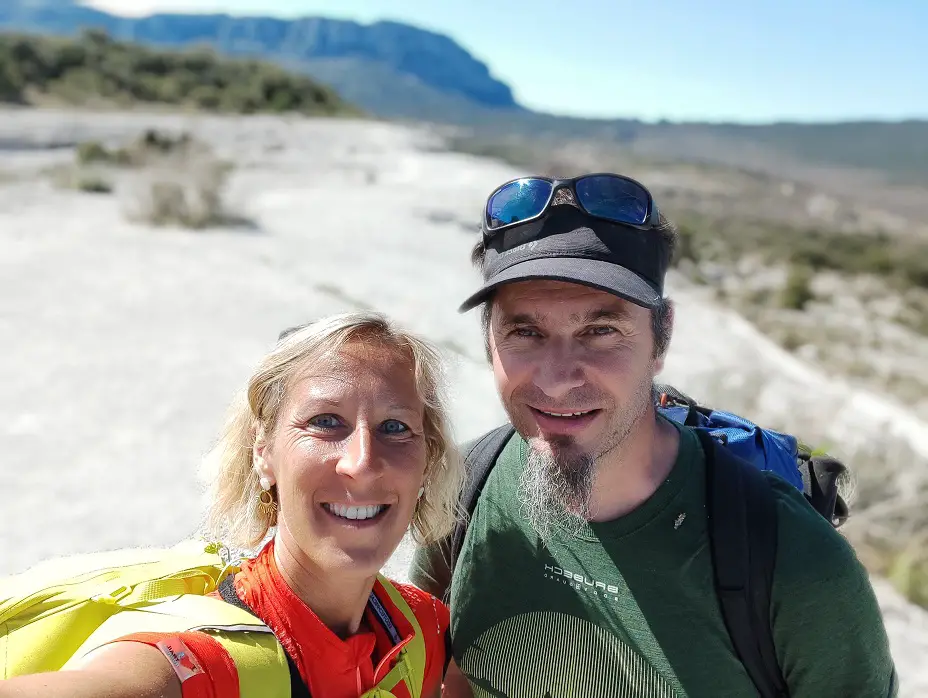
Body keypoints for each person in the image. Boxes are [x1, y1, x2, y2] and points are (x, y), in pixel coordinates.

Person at [410, 174, 898, 697]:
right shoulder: (463, 489)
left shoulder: (796, 564)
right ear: (489, 341)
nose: (557, 378)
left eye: (601, 331)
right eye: (525, 332)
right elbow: (443, 674)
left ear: (661, 337)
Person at [1, 311, 464, 698]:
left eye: (396, 427)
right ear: (263, 453)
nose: (362, 463)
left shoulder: (419, 632)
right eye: (325, 422)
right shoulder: (209, 664)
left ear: (428, 461)